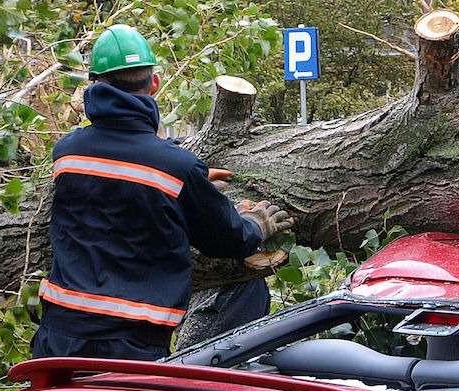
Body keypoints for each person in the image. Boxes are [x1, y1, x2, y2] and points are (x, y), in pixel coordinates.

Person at [32, 24, 293, 361]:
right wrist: (256, 223)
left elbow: (114, 184)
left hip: (58, 338)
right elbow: (225, 239)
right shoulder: (175, 168)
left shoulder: (67, 154)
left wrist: (179, 186)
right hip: (131, 347)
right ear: (154, 84)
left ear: (93, 85)